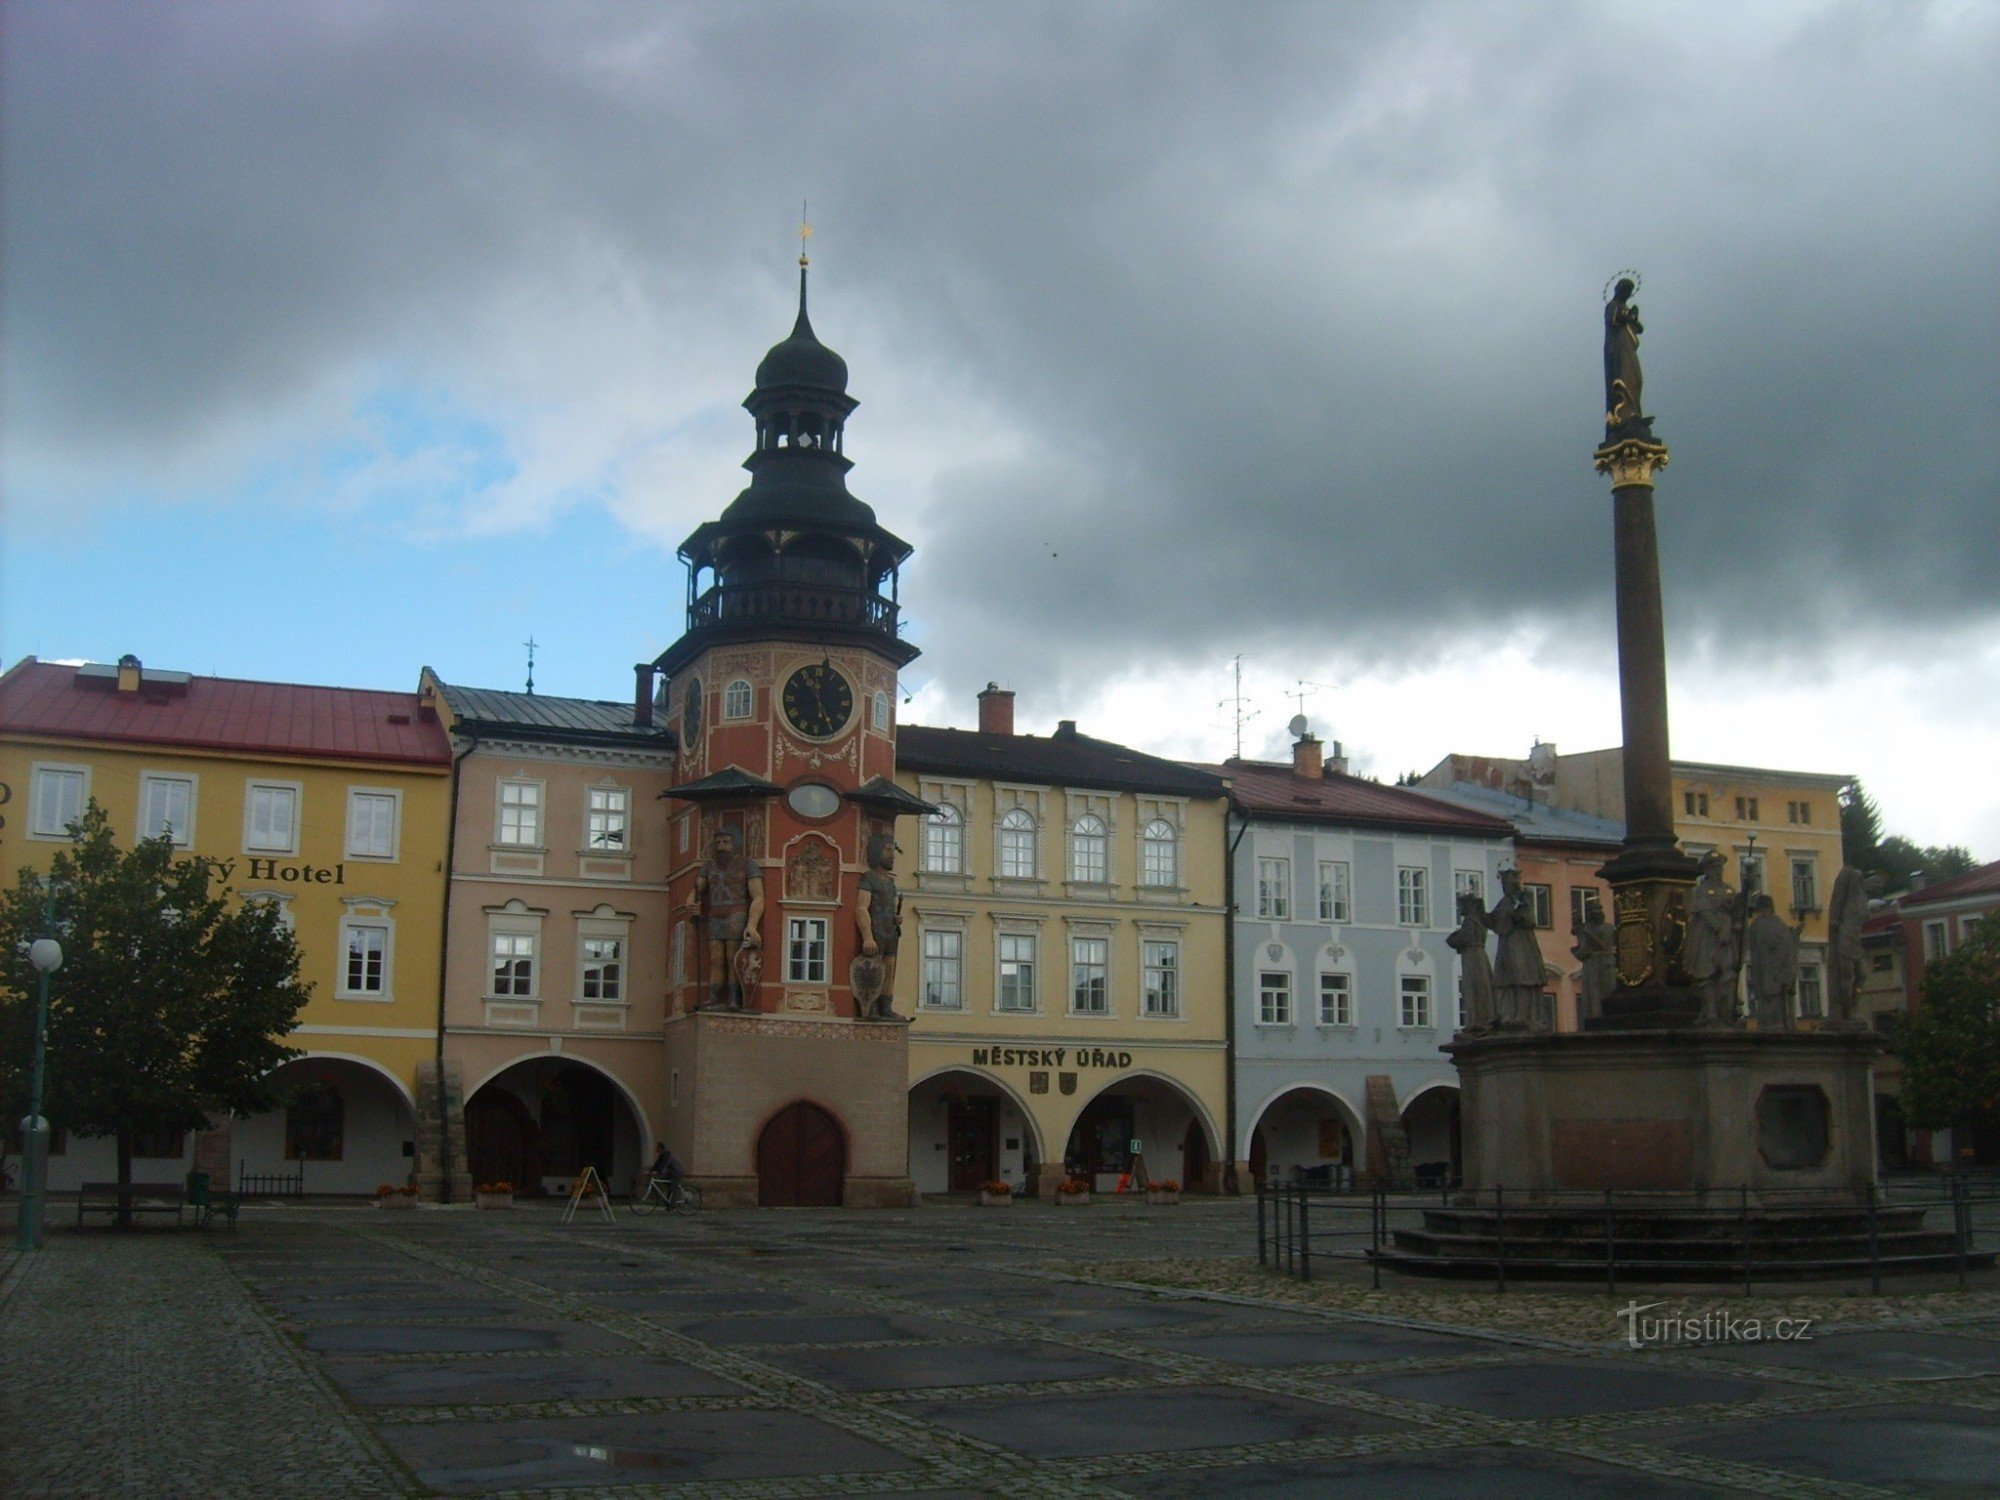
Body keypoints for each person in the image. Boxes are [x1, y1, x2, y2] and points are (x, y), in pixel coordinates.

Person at [687, 826, 764, 1009]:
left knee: (732, 957)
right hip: (715, 913)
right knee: (715, 958)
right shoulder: (709, 866)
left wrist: (752, 925)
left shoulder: (748, 865)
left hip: (735, 913)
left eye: (726, 842)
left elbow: (758, 896)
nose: (721, 846)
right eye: (719, 842)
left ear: (735, 843)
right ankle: (714, 998)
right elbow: (696, 890)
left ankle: (733, 999)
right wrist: (691, 904)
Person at [1683, 849, 1739, 1022]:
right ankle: (1711, 1010)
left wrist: (1738, 918)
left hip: (1727, 936)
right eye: (1715, 868)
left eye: (1720, 868)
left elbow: (1737, 909)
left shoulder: (1729, 890)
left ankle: (1728, 1008)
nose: (1719, 871)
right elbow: (1704, 911)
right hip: (1706, 936)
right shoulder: (1701, 890)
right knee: (1705, 973)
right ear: (1707, 869)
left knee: (1728, 970)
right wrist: (1719, 927)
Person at [1487, 869, 1546, 1028]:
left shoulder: (1523, 898)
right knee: (1506, 978)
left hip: (1521, 942)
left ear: (1514, 883)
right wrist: (1483, 916)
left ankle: (1523, 1014)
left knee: (1522, 976)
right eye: (1503, 884)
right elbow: (1494, 920)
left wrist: (1516, 916)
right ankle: (1507, 1013)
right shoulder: (1504, 901)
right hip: (1506, 942)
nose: (1504, 887)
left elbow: (1530, 920)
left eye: (1506, 884)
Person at [853, 833, 903, 1019]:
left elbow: (892, 907)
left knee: (890, 970)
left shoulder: (890, 882)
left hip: (891, 932)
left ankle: (886, 1006)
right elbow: (861, 908)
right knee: (874, 969)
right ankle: (871, 1005)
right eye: (888, 850)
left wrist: (897, 918)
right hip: (876, 931)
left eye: (893, 851)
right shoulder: (869, 878)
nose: (892, 855)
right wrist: (867, 936)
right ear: (877, 851)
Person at [1744, 894, 1801, 1030]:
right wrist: (1794, 936)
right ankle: (1779, 1024)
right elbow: (1787, 945)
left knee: (1768, 1003)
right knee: (1777, 1004)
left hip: (1764, 971)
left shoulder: (1757, 925)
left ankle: (1770, 1024)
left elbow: (1747, 941)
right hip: (1776, 972)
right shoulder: (1777, 923)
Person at [1446, 891, 1494, 1032]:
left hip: (1472, 956)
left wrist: (1453, 938)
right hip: (1478, 954)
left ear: (1468, 906)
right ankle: (1483, 1018)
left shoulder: (1470, 921)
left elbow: (1462, 938)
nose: (1459, 908)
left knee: (1473, 987)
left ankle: (1477, 1020)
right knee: (1482, 986)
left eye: (1461, 905)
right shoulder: (1478, 920)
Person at [1604, 276, 1645, 429]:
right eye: (1625, 290)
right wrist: (1630, 316)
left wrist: (1633, 316)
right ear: (1618, 290)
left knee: (1636, 379)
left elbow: (1639, 328)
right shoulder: (1612, 305)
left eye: (1629, 291)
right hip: (1618, 349)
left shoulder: (1627, 309)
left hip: (1629, 348)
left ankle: (1634, 412)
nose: (1627, 294)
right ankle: (1622, 414)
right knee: (1623, 377)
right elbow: (1614, 319)